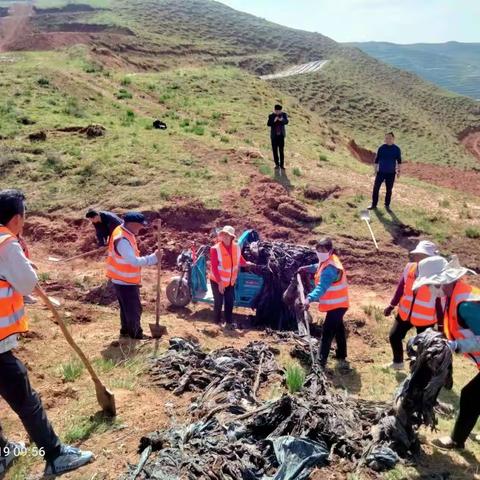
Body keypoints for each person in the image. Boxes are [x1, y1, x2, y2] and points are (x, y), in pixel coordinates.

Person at [0, 189, 93, 476]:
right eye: (25, 217)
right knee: (26, 399)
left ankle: (2, 453)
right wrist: (27, 270)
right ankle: (54, 455)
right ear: (17, 218)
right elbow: (27, 284)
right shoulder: (6, 243)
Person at [413, 255, 479, 450]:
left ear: (442, 280)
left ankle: (456, 441)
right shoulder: (455, 297)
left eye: (430, 284)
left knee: (470, 396)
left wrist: (456, 346)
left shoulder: (466, 303)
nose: (428, 289)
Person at [384, 240, 444, 370]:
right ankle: (398, 363)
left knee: (424, 346)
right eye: (417, 254)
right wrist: (391, 305)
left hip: (425, 319)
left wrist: (441, 325)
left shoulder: (438, 276)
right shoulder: (409, 267)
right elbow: (401, 288)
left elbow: (440, 301)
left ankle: (420, 369)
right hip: (405, 313)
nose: (417, 257)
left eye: (422, 255)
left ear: (431, 258)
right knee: (394, 336)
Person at [106, 212, 161, 339]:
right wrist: (153, 258)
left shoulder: (123, 231)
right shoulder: (122, 240)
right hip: (125, 281)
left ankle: (125, 331)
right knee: (134, 310)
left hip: (121, 280)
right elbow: (134, 261)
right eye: (139, 226)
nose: (141, 228)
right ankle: (136, 334)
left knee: (126, 310)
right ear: (131, 224)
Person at [299, 237, 350, 371]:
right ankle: (341, 355)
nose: (320, 252)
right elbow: (319, 267)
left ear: (330, 250)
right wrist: (307, 268)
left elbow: (321, 287)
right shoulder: (328, 261)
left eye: (323, 250)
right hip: (339, 303)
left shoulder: (331, 268)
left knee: (327, 332)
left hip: (337, 305)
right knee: (338, 329)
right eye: (318, 250)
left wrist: (308, 299)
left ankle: (320, 363)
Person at [209, 226, 253, 329]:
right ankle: (216, 322)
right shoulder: (215, 249)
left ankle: (228, 322)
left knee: (229, 301)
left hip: (230, 282)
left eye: (227, 235)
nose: (224, 236)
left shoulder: (236, 247)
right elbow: (214, 267)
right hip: (217, 280)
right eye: (223, 234)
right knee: (218, 301)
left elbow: (239, 260)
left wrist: (246, 263)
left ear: (231, 237)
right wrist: (220, 283)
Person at [368, 132, 402, 211]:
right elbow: (376, 160)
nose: (388, 139)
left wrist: (399, 171)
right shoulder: (381, 148)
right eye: (386, 138)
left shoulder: (396, 149)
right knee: (376, 188)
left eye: (389, 138)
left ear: (393, 139)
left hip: (391, 173)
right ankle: (374, 204)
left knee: (389, 190)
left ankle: (387, 205)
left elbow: (399, 161)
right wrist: (375, 170)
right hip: (381, 172)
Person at [267, 104, 289, 169]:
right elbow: (268, 124)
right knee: (275, 150)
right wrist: (274, 120)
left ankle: (282, 165)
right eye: (276, 110)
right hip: (274, 136)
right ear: (274, 110)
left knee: (281, 150)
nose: (277, 112)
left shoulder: (284, 115)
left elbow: (286, 122)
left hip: (281, 136)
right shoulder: (271, 116)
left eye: (279, 111)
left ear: (281, 110)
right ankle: (277, 164)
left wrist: (282, 120)